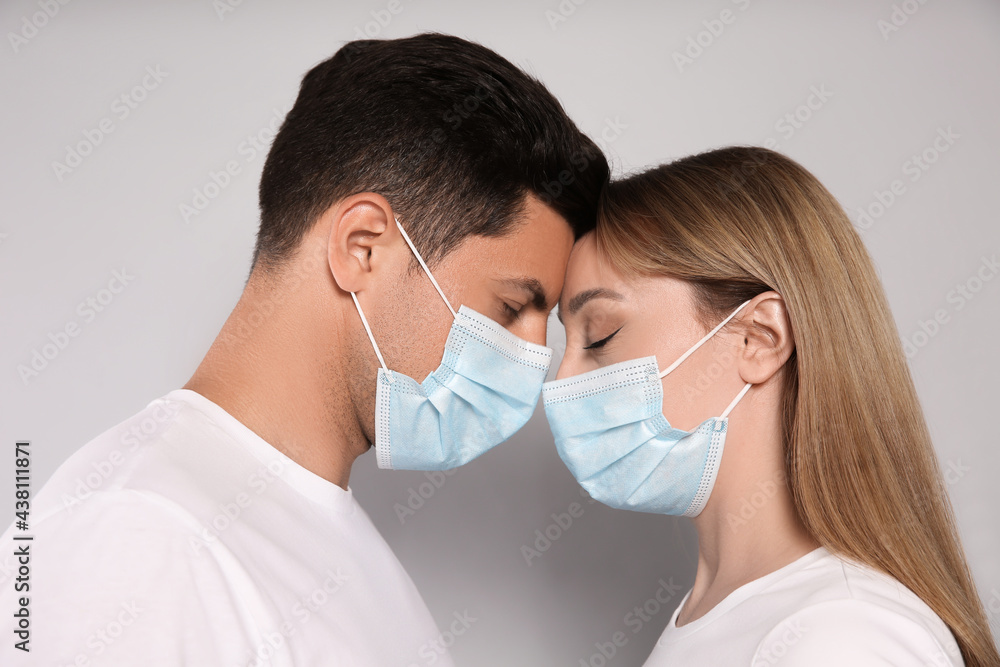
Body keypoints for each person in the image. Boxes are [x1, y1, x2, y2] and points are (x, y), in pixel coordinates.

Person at [0, 33, 608, 665]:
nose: (535, 361)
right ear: (362, 247)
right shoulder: (139, 537)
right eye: (512, 307)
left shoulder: (328, 536)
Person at [543, 146, 999, 666]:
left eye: (600, 336)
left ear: (759, 338)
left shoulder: (841, 637)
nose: (562, 381)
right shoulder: (719, 615)